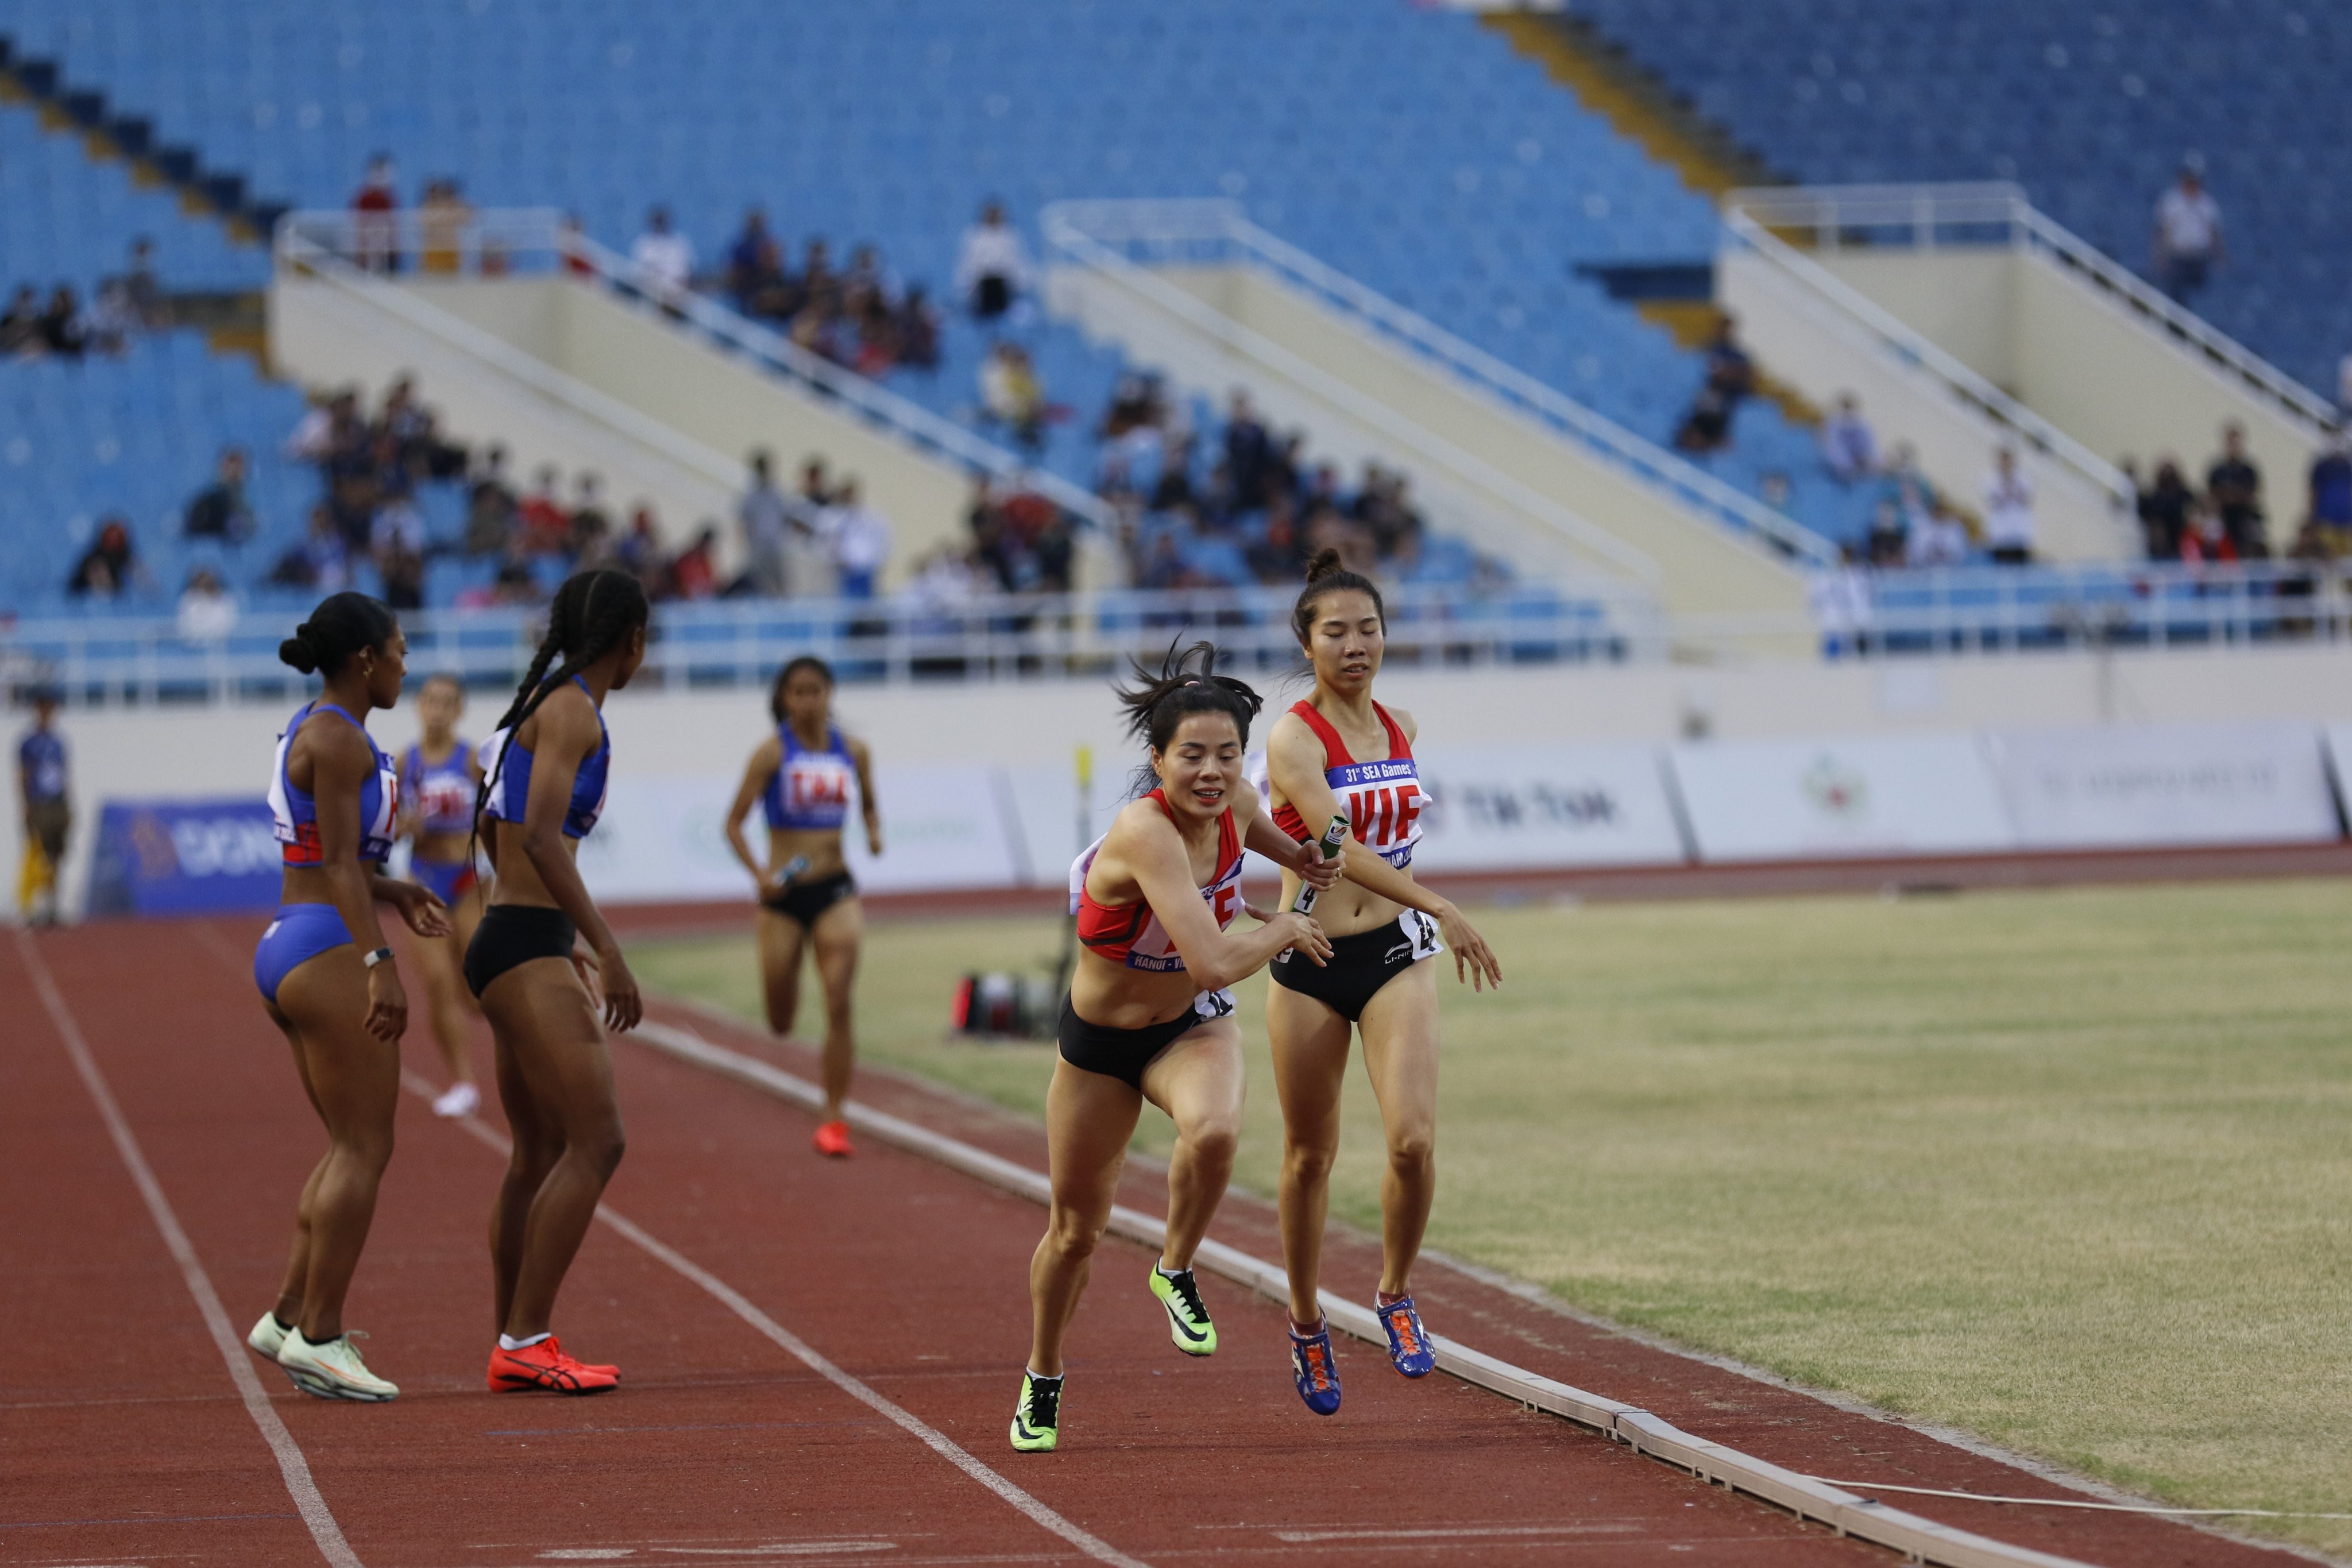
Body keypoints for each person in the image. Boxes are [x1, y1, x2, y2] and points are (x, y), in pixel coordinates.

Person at [1010, 640, 1339, 1454]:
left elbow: (1274, 838)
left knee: (1217, 1130)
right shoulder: (1144, 831)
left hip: (1188, 1027)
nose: (1212, 771)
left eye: (1227, 755)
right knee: (1075, 1233)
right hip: (1099, 1047)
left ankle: (1175, 1266)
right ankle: (1042, 1374)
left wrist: (1305, 857)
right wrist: (1287, 924)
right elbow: (1213, 957)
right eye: (1191, 754)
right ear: (1155, 760)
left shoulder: (1233, 804)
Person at [1261, 551, 1504, 1418]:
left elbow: (1386, 849)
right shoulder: (1292, 737)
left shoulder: (1400, 722)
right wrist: (1441, 901)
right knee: (1307, 1155)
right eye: (1336, 631)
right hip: (1310, 958)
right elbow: (1337, 850)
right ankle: (1302, 1320)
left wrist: (1422, 914)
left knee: (1411, 1142)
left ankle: (1394, 1293)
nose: (1355, 644)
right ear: (1306, 640)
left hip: (1396, 951)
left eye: (1367, 629)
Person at [244, 593, 449, 1401]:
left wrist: (394, 891)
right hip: (325, 943)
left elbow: (337, 859)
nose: (406, 664)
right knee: (366, 1147)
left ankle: (289, 1315)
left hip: (297, 937)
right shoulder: (334, 735)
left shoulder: (325, 728)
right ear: (367, 658)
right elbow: (334, 865)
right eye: (400, 651)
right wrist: (379, 960)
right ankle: (321, 1335)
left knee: (346, 1144)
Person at [468, 569, 650, 1395]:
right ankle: (524, 1336)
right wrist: (602, 945)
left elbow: (490, 825)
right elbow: (540, 836)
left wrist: (529, 924)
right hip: (524, 942)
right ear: (632, 641)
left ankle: (514, 1331)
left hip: (516, 936)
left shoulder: (533, 706)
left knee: (539, 1148)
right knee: (598, 1139)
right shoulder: (572, 708)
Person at [721, 656, 883, 1156]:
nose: (808, 700)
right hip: (783, 900)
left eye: (816, 690)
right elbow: (733, 824)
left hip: (835, 888)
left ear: (830, 694)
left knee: (838, 1000)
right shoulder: (771, 755)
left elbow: (870, 804)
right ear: (784, 699)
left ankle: (834, 1117)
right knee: (781, 1018)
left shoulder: (853, 750)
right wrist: (760, 875)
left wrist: (874, 831)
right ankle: (785, 1009)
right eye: (797, 692)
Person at [399, 673, 488, 1118]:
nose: (436, 709)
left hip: (468, 881)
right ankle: (463, 1081)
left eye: (446, 702)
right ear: (418, 707)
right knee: (438, 984)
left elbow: (497, 816)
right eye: (429, 701)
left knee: (478, 989)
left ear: (458, 711)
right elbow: (386, 830)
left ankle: (527, 1047)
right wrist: (404, 827)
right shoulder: (405, 763)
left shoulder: (472, 760)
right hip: (425, 881)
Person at [16, 686, 69, 928]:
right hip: (40, 804)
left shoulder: (59, 742)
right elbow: (23, 775)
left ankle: (52, 907)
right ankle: (32, 908)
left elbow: (64, 775)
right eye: (43, 708)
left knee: (56, 856)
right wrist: (26, 805)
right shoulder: (28, 743)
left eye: (50, 708)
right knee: (37, 856)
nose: (47, 712)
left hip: (58, 804)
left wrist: (69, 804)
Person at [2153, 159, 2222, 307]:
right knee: (2175, 294)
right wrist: (2161, 256)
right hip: (2178, 257)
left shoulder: (2207, 205)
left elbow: (2214, 235)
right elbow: (2164, 232)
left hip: (2198, 259)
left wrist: (2220, 257)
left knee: (2198, 295)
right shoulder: (2172, 202)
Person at [956, 199, 1028, 322]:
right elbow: (968, 263)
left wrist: (1021, 284)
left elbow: (1017, 262)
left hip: (1003, 284)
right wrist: (965, 287)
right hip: (984, 284)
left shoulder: (1010, 237)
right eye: (991, 214)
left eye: (997, 214)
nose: (994, 218)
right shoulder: (975, 238)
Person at [821, 479, 891, 599]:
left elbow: (884, 541)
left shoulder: (871, 517)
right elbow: (826, 542)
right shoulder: (832, 517)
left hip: (866, 571)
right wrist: (837, 560)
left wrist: (876, 562)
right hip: (843, 572)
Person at [2206, 424, 2266, 557]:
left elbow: (2253, 494)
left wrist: (2233, 495)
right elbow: (2212, 494)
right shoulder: (2218, 470)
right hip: (2222, 515)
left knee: (2255, 535)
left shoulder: (2248, 470)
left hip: (2244, 515)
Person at [738, 450, 791, 597]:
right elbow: (745, 521)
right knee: (762, 583)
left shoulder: (776, 494)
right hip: (759, 546)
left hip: (775, 544)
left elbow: (785, 518)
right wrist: (747, 544)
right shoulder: (751, 496)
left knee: (781, 581)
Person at [185, 446, 257, 542]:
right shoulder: (207, 503)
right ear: (220, 470)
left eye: (237, 470)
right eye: (229, 469)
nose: (233, 474)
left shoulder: (249, 505)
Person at [631, 207, 694, 312]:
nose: (660, 223)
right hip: (655, 293)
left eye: (663, 220)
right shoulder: (645, 243)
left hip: (678, 294)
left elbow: (688, 270)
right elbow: (644, 271)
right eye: (658, 221)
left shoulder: (680, 243)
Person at [1982, 449, 2036, 565]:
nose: (2006, 464)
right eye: (2003, 460)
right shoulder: (1990, 480)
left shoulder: (2023, 479)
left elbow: (2026, 499)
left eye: (2008, 460)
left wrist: (2012, 481)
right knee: (2001, 568)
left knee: (2020, 568)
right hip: (2001, 531)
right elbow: (1992, 500)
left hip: (2019, 531)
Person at [65, 517, 139, 599]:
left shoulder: (128, 558)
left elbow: (144, 582)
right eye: (111, 539)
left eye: (117, 539)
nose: (114, 543)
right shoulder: (94, 559)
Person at [352, 155, 399, 273]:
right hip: (369, 245)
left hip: (387, 247)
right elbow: (358, 223)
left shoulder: (389, 197)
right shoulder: (366, 198)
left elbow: (394, 223)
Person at [1819, 393, 1878, 484]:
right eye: (1846, 408)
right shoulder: (1834, 423)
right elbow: (1833, 446)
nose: (1848, 412)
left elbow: (1869, 445)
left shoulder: (1862, 425)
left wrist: (1867, 460)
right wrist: (1844, 464)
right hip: (1837, 467)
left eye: (1850, 409)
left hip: (1858, 467)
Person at [2309, 436, 2352, 551]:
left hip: (2347, 521)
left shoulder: (2348, 466)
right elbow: (2313, 492)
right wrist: (2313, 517)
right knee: (2328, 553)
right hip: (2326, 520)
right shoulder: (2322, 467)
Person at [177, 568, 238, 642]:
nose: (205, 586)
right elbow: (185, 626)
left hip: (221, 642)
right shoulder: (188, 599)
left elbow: (230, 625)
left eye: (208, 583)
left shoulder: (226, 600)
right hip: (195, 643)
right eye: (202, 583)